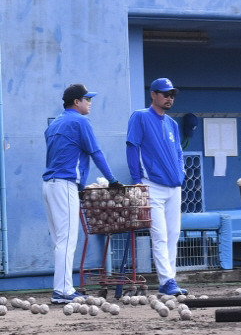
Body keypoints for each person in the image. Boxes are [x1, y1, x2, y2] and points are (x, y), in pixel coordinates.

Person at [43, 83, 121, 304]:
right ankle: (63, 291)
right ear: (76, 102)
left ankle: (62, 288)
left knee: (60, 240)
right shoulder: (80, 121)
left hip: (49, 185)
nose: (90, 102)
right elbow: (95, 152)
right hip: (64, 184)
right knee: (67, 240)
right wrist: (112, 179)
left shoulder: (55, 123)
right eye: (87, 99)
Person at [126, 77, 186, 296]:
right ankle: (167, 280)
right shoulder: (140, 116)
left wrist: (182, 172)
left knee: (173, 233)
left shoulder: (172, 123)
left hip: (174, 186)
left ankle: (169, 280)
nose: (169, 98)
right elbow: (132, 146)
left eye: (172, 95)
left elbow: (179, 152)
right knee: (159, 234)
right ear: (153, 94)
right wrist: (136, 180)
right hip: (152, 184)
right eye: (165, 94)